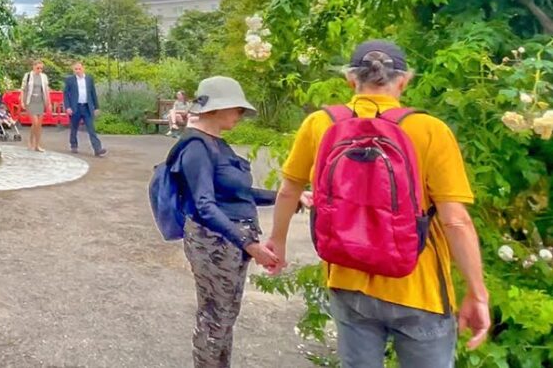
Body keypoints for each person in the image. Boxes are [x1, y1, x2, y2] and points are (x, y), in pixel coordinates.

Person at [264, 40, 490, 367]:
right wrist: (477, 292)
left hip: (347, 277)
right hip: (417, 286)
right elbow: (456, 221)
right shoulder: (429, 130)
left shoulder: (320, 123)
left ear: (350, 80)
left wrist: (278, 243)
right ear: (404, 80)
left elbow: (288, 191)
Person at [171, 76, 300, 368]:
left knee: (226, 315)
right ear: (217, 109)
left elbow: (242, 193)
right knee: (214, 318)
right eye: (237, 109)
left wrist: (291, 198)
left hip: (230, 243)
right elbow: (204, 206)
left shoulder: (217, 144)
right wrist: (250, 244)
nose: (241, 115)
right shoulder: (196, 147)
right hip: (213, 242)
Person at [62, 62, 106, 157]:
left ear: (83, 68)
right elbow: (66, 94)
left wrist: (96, 107)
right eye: (75, 69)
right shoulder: (70, 80)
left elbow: (93, 93)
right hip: (75, 107)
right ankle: (74, 144)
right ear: (73, 70)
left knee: (91, 128)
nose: (77, 71)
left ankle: (97, 149)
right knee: (74, 127)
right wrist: (68, 107)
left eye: (79, 69)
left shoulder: (89, 79)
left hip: (87, 107)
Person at [20, 60, 50, 152]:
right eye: (38, 68)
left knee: (38, 125)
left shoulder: (44, 77)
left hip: (40, 101)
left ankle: (37, 145)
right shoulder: (28, 75)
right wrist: (22, 101)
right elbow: (23, 89)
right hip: (31, 101)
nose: (39, 70)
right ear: (33, 67)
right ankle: (30, 141)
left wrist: (48, 102)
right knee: (35, 123)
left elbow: (46, 89)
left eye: (41, 68)